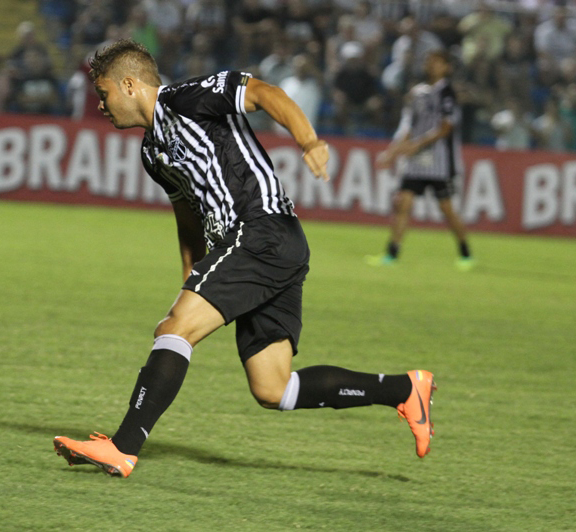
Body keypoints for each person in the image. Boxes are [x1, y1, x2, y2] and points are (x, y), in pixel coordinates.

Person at [53, 39, 437, 478]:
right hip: (268, 249)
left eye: (103, 94)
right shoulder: (153, 153)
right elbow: (187, 216)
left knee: (175, 330)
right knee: (273, 387)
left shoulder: (189, 98)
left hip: (261, 231)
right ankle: (405, 390)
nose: (100, 105)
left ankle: (123, 447)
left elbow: (265, 94)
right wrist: (190, 279)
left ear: (129, 84)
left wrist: (308, 141)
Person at [370, 50, 473, 270]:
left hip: (440, 163)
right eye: (430, 62)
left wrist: (417, 144)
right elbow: (407, 127)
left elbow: (446, 127)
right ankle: (392, 254)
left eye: (438, 62)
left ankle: (465, 253)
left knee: (446, 209)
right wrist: (392, 152)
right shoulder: (417, 93)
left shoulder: (447, 93)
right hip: (415, 163)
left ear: (446, 67)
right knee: (402, 204)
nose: (432, 66)